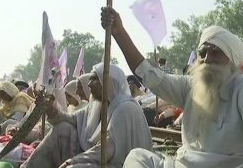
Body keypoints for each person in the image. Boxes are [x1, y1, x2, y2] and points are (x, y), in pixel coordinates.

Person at [101, 7, 243, 168]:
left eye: (215, 53)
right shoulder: (189, 86)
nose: (207, 59)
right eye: (202, 53)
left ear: (231, 60)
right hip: (184, 165)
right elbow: (148, 73)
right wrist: (119, 32)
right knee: (138, 157)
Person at [21, 63, 152, 168]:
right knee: (62, 129)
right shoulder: (97, 105)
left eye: (94, 79)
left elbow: (105, 151)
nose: (88, 84)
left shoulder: (124, 108)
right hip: (95, 157)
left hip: (117, 163)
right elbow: (72, 120)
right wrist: (50, 109)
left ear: (108, 82)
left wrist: (72, 161)